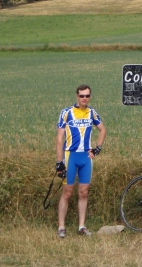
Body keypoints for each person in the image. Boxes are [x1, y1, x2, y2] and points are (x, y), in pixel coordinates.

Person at [55, 84, 106, 238]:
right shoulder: (66, 113)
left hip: (85, 157)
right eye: (82, 96)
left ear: (90, 97)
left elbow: (102, 130)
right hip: (70, 156)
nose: (85, 98)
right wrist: (59, 162)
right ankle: (61, 227)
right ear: (77, 96)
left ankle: (81, 226)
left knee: (83, 192)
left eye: (87, 96)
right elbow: (59, 138)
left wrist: (97, 148)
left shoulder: (92, 113)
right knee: (67, 192)